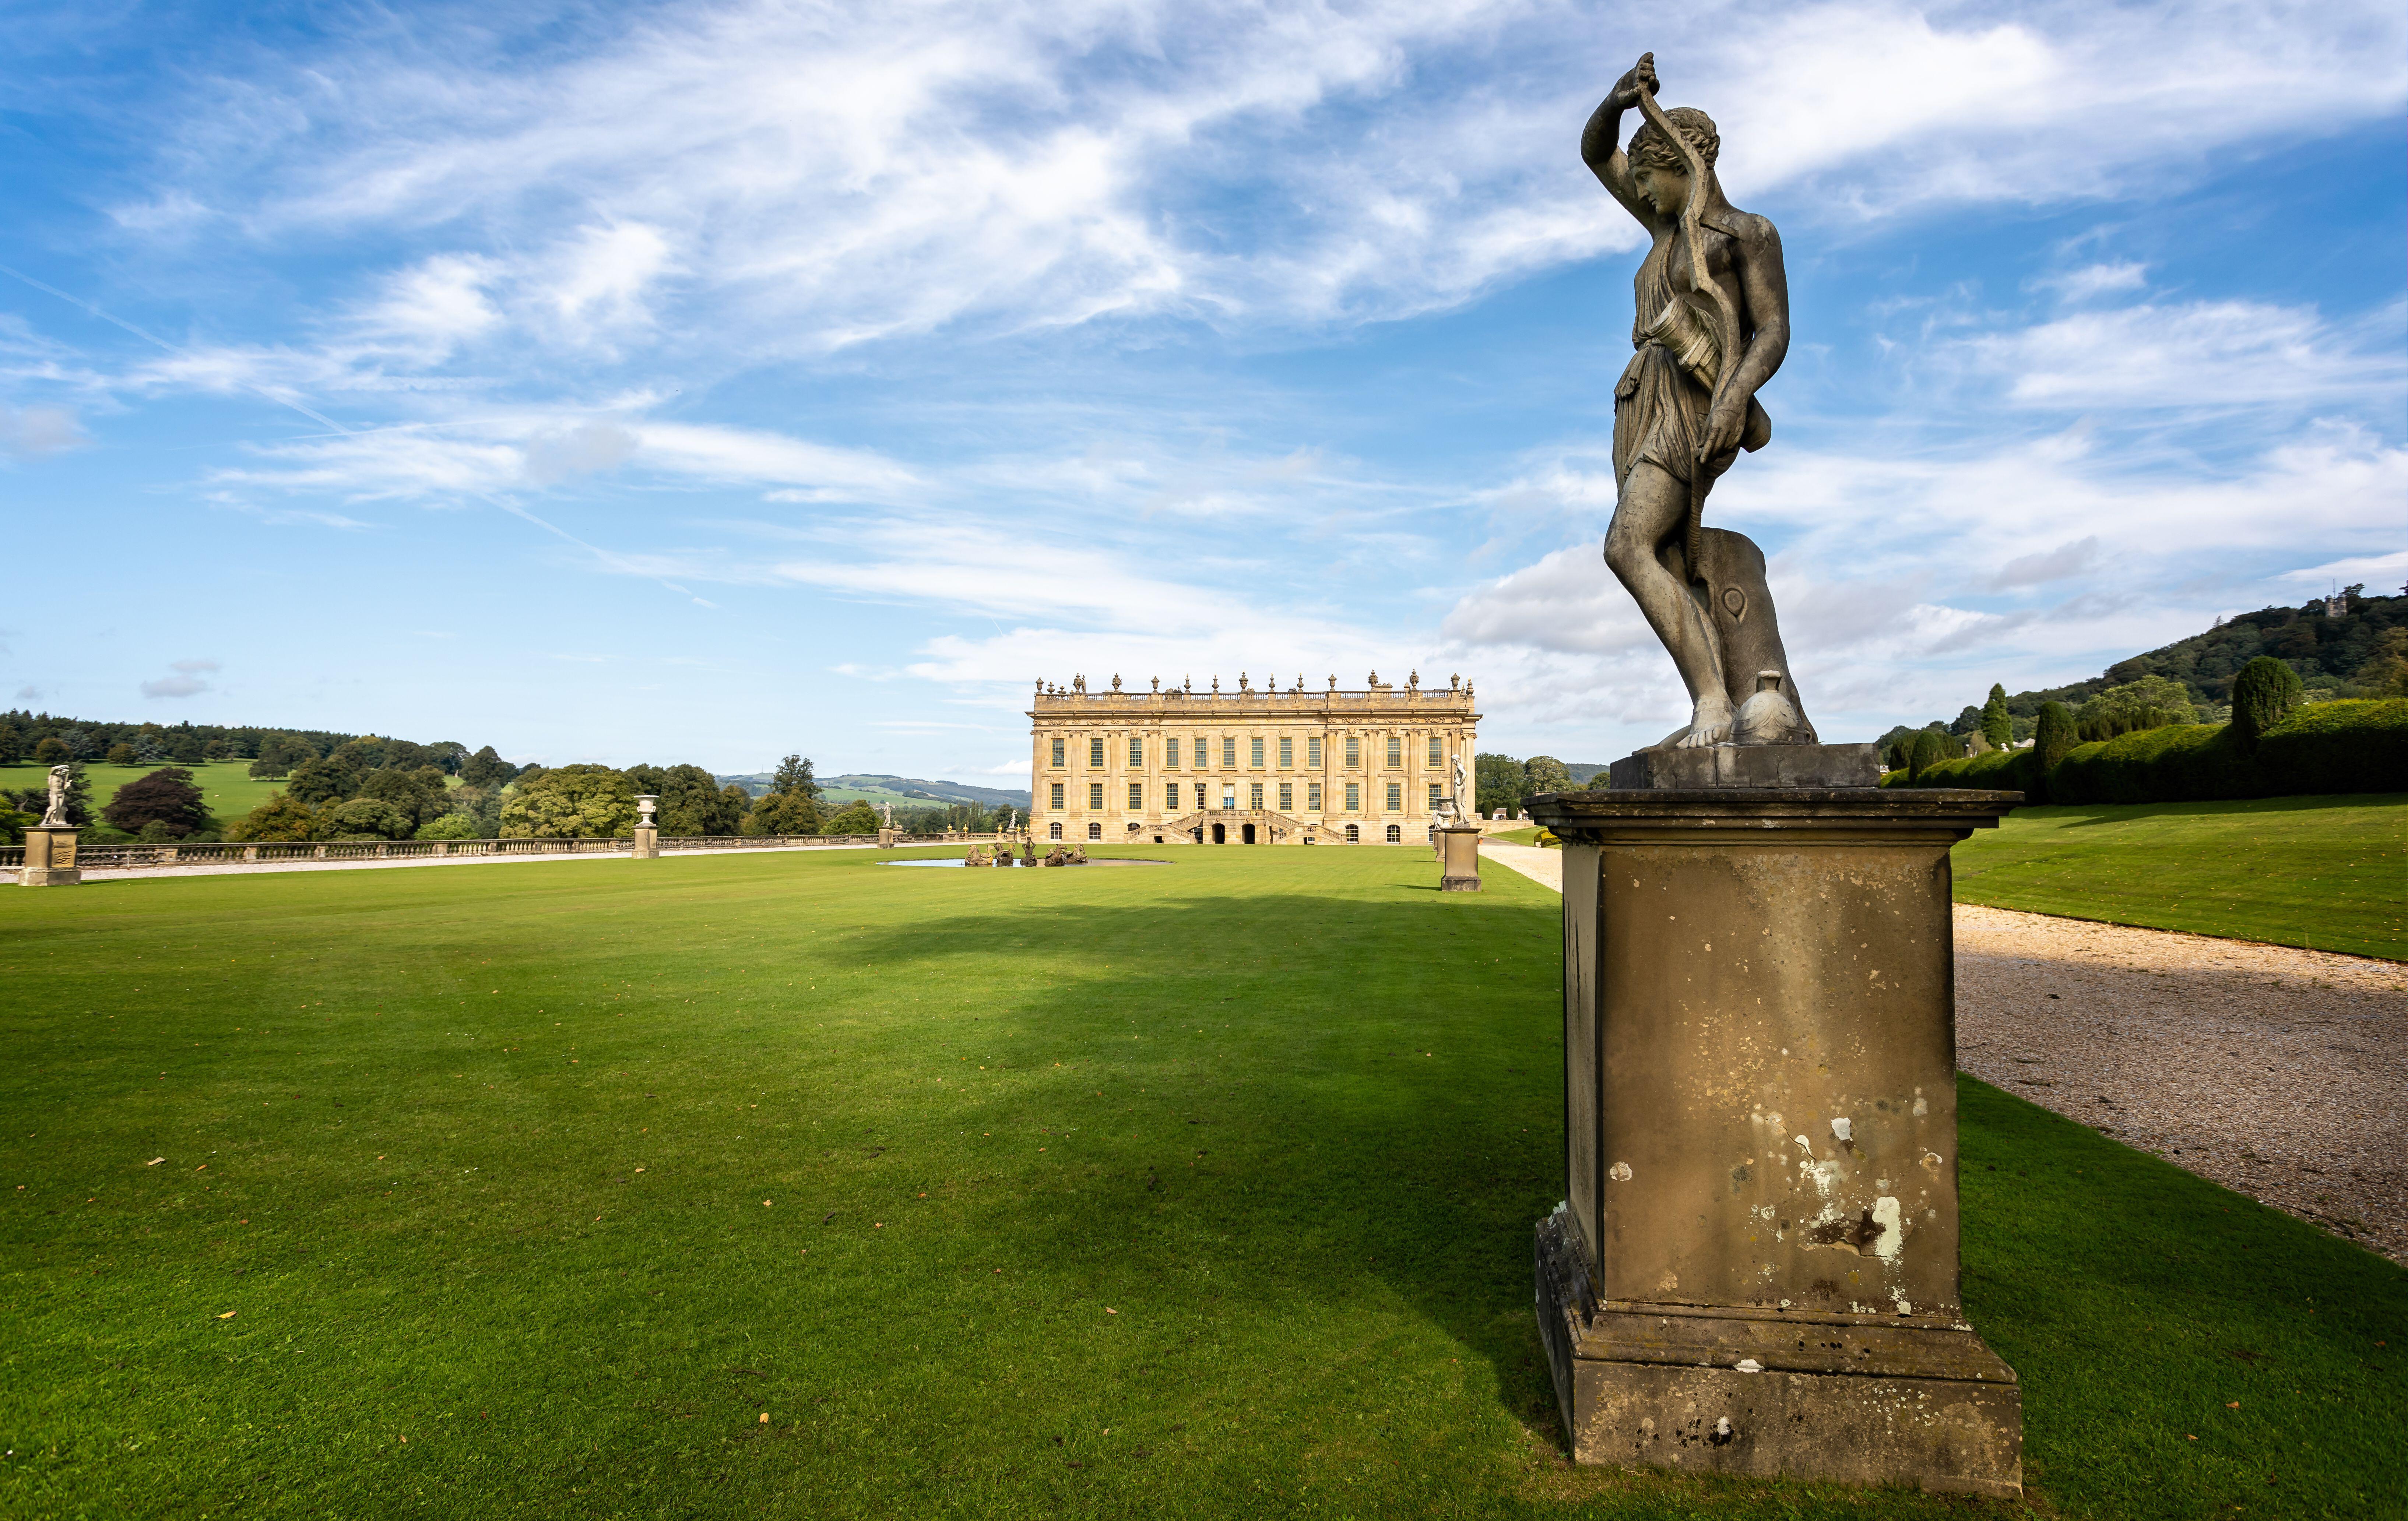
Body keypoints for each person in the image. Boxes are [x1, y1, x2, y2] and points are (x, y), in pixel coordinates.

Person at [1582, 53, 1796, 749]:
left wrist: (1735, 397)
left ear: (1677, 161)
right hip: (1643, 398)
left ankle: (1711, 702)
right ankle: (1725, 701)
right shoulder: (1663, 231)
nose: (1639, 190)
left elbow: (1774, 329)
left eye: (1647, 176)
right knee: (1669, 559)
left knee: (1627, 546)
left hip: (1694, 396)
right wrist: (1618, 102)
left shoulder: (1746, 235)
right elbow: (1595, 152)